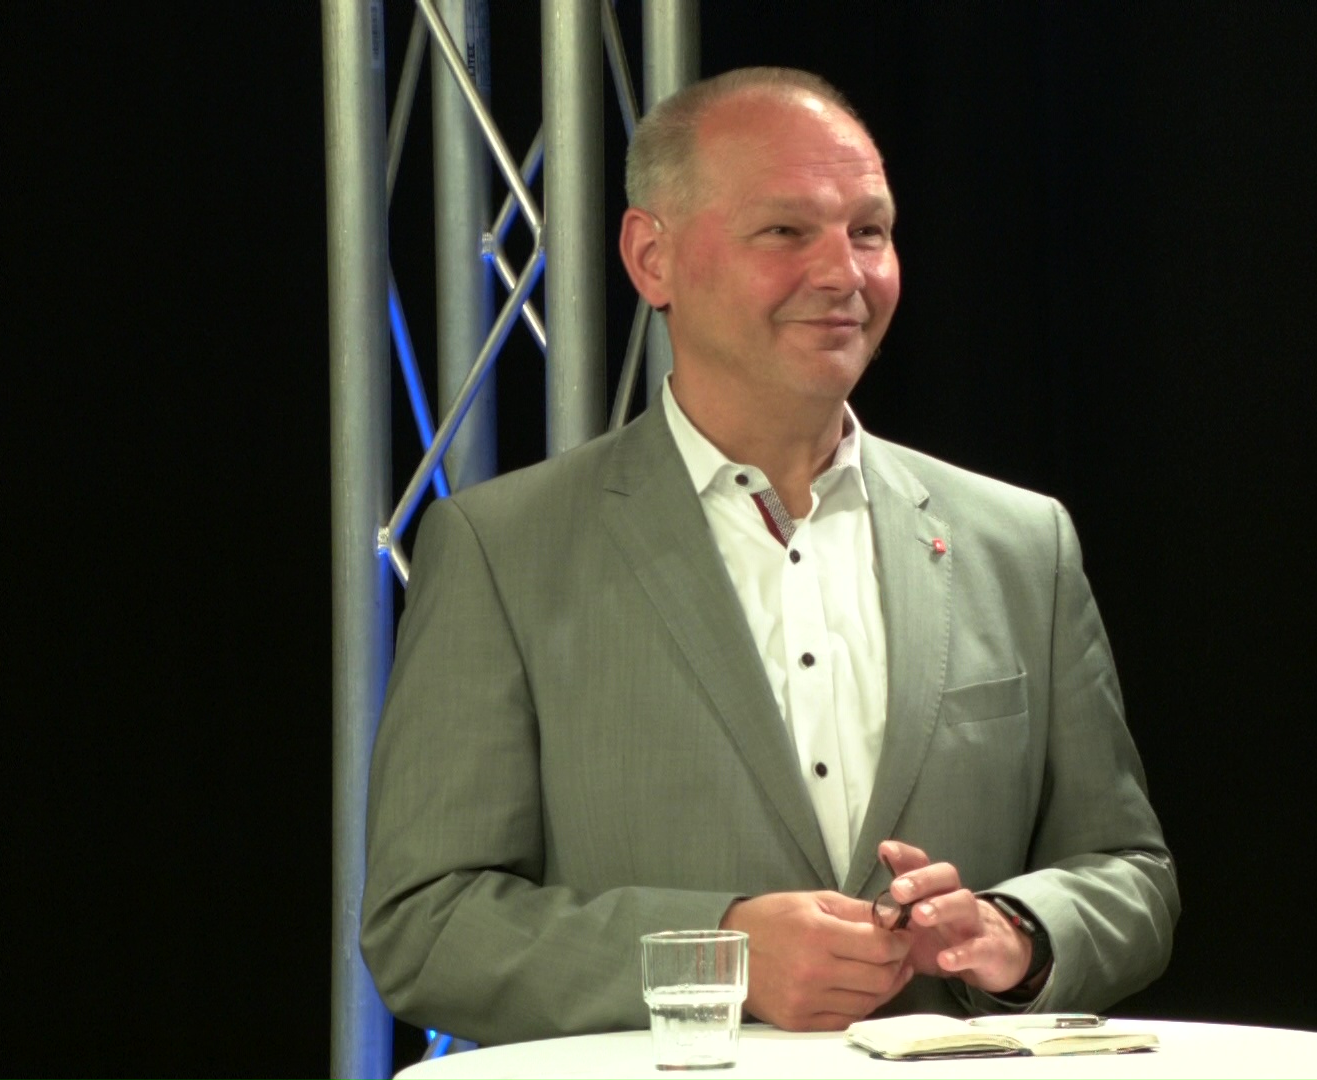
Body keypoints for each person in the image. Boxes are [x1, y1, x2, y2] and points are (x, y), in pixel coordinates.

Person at [361, 66, 1177, 1047]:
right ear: (652, 258)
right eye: (786, 230)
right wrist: (725, 952)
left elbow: (1129, 874)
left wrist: (1016, 932)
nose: (844, 273)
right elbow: (425, 928)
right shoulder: (502, 549)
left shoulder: (1021, 540)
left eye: (868, 231)